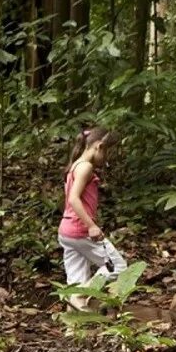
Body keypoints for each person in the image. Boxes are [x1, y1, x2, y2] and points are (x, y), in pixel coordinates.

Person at [57, 127, 127, 311]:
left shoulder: (76, 165)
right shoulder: (86, 167)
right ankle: (77, 295)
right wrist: (91, 226)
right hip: (80, 231)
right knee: (118, 266)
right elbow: (73, 198)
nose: (108, 157)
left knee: (76, 279)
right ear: (99, 146)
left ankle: (73, 329)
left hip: (67, 231)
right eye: (108, 152)